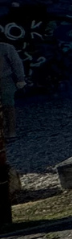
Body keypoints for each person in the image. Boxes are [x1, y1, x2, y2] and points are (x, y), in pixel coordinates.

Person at [0, 38, 24, 219]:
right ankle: (5, 132)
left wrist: (20, 78)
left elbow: (16, 62)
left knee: (9, 107)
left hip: (5, 79)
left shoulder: (5, 48)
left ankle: (11, 131)